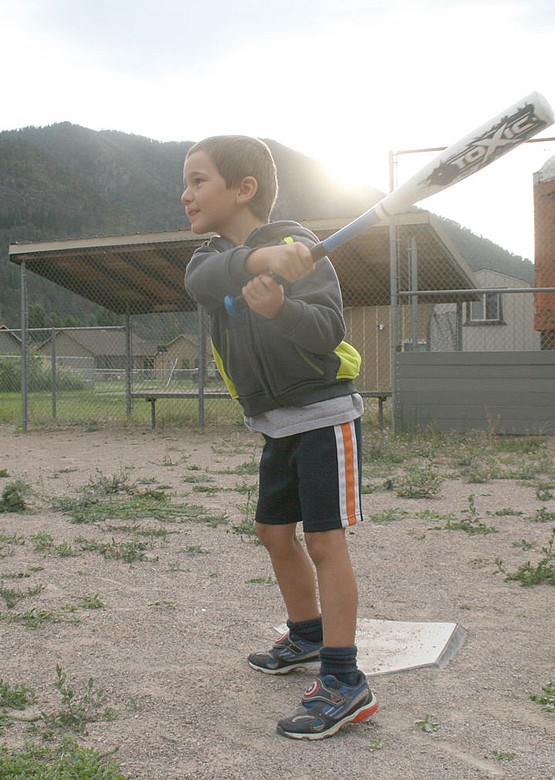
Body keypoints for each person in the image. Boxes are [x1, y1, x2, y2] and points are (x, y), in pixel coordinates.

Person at [181, 135, 377, 740]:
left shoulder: (307, 258)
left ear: (244, 190)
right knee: (272, 532)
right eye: (185, 182)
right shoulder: (208, 261)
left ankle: (345, 682)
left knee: (324, 542)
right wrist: (260, 263)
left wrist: (280, 311)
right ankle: (308, 634)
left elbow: (325, 333)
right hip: (275, 423)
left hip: (321, 415)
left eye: (198, 180)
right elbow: (204, 282)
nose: (185, 195)